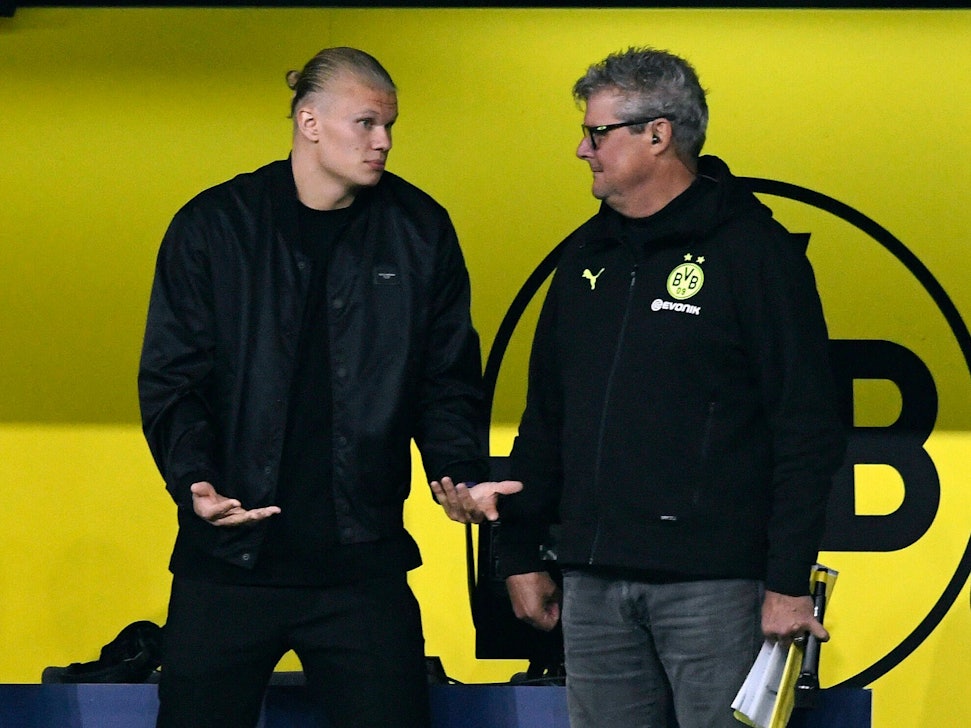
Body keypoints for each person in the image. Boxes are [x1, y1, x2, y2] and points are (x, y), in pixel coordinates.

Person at [434, 47, 846, 728]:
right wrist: (518, 555)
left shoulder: (753, 254)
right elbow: (544, 423)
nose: (580, 149)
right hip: (592, 587)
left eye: (596, 132)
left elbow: (806, 428)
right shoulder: (583, 259)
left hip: (715, 588)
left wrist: (786, 582)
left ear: (657, 135)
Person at [138, 47, 519, 728]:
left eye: (390, 126)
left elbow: (447, 379)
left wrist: (456, 470)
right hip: (228, 567)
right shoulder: (214, 227)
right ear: (309, 122)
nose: (383, 143)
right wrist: (193, 479)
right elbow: (173, 378)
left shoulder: (418, 230)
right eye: (366, 123)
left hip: (360, 567)